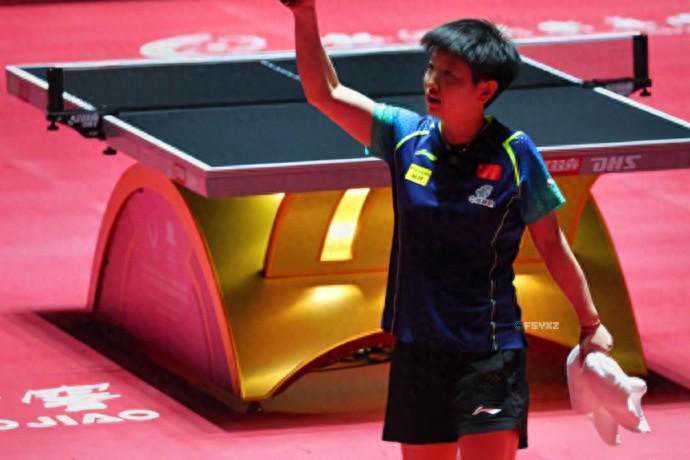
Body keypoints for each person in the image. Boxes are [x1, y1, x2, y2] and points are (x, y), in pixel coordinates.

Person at [279, 1, 615, 459]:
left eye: (449, 75)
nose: (432, 83)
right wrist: (304, 13)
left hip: (489, 352)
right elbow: (326, 93)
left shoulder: (515, 154)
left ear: (485, 89)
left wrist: (591, 323)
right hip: (418, 350)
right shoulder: (405, 136)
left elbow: (551, 245)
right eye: (431, 69)